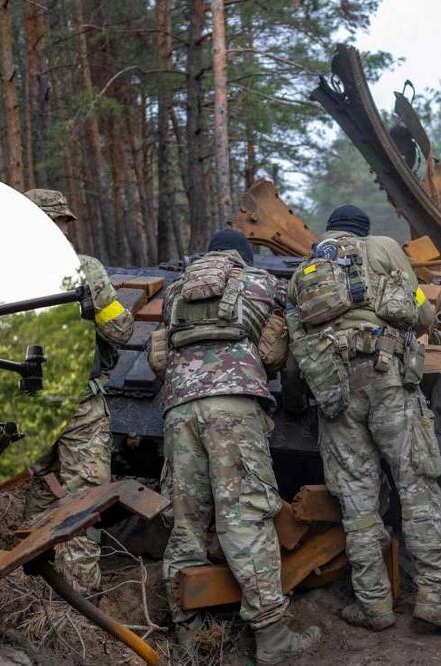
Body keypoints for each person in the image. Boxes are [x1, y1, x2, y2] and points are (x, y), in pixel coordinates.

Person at [286, 205, 441, 633]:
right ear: (364, 231)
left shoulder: (305, 272)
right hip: (388, 378)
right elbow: (421, 313)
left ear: (330, 231)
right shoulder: (385, 249)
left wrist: (297, 400)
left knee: (357, 502)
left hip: (334, 390)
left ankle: (374, 606)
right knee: (417, 485)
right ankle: (437, 597)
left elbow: (296, 351)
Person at [154, 229, 319, 665]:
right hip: (233, 407)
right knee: (245, 516)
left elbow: (158, 357)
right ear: (244, 258)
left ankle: (186, 638)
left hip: (178, 409)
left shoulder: (175, 293)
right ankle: (273, 640)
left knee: (186, 522)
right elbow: (280, 349)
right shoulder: (262, 282)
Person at [21, 188, 133, 592]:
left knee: (40, 489)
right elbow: (119, 329)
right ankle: (78, 606)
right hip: (77, 404)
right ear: (61, 224)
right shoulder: (84, 268)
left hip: (25, 404)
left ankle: (32, 586)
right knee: (83, 501)